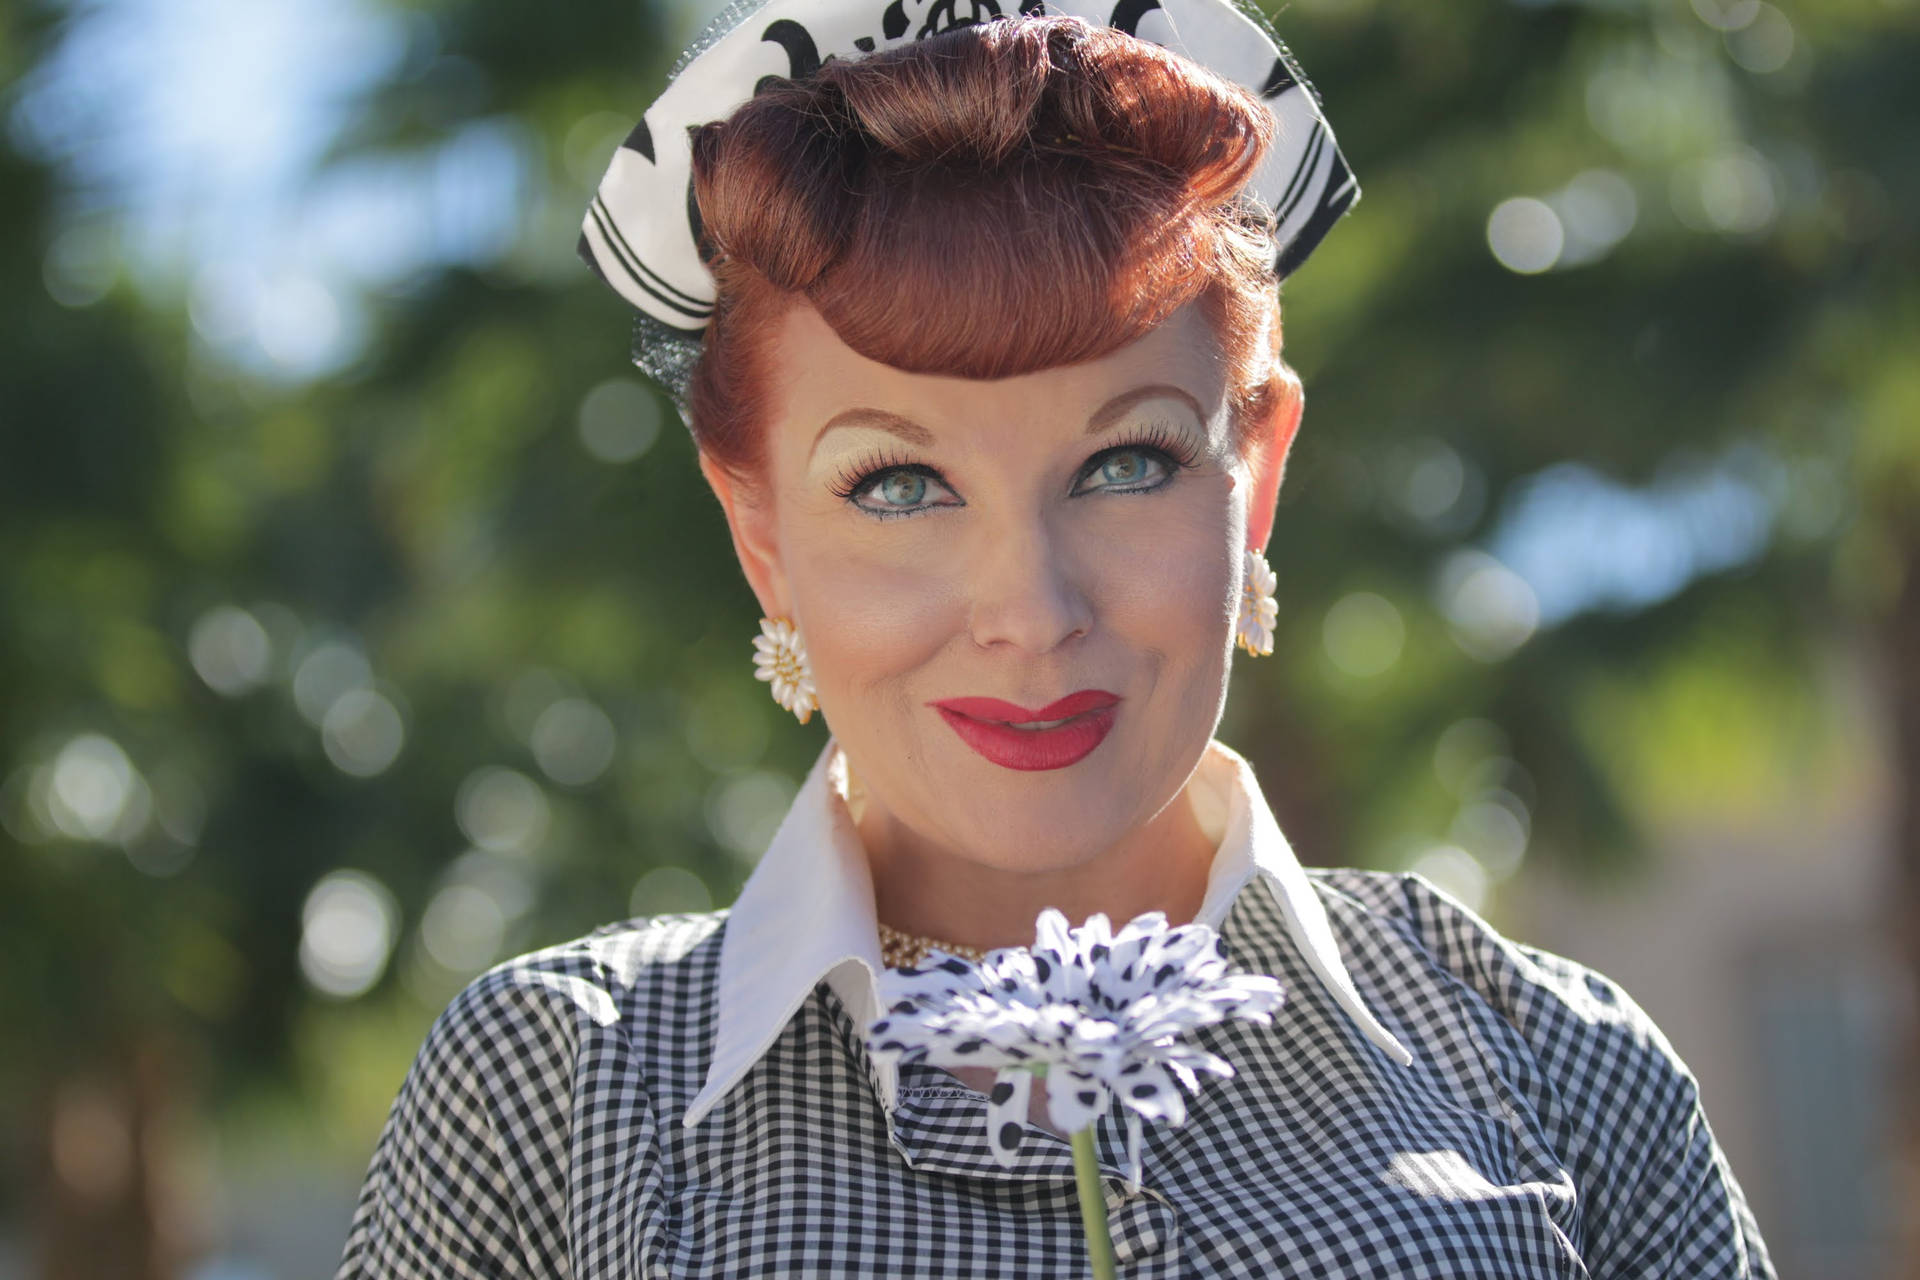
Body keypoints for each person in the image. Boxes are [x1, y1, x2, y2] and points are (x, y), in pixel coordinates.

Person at [336, 3, 1778, 1276]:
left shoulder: (1556, 1070)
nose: (1028, 611)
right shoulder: (553, 1096)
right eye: (898, 484)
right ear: (760, 530)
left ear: (1255, 480)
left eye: (1128, 463)